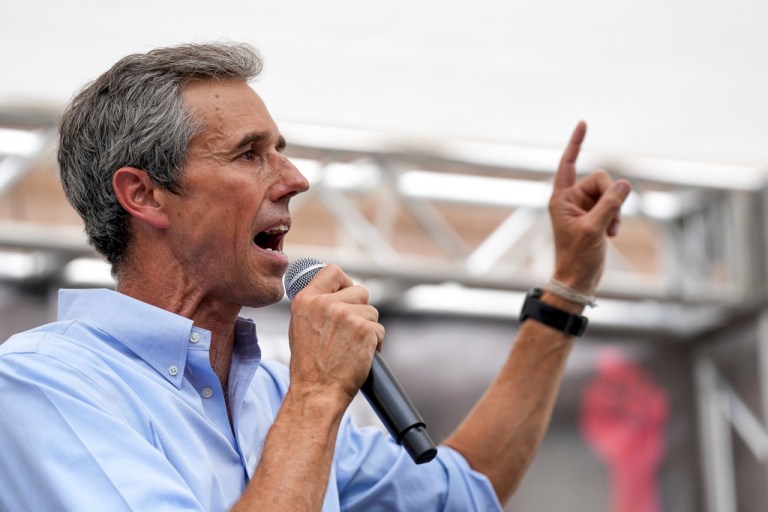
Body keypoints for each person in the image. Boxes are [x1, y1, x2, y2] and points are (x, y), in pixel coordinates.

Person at [0, 42, 631, 511]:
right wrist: (318, 396)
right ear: (145, 195)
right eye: (250, 153)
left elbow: (465, 489)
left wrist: (567, 290)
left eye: (280, 148)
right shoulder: (42, 383)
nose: (295, 178)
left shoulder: (270, 393)